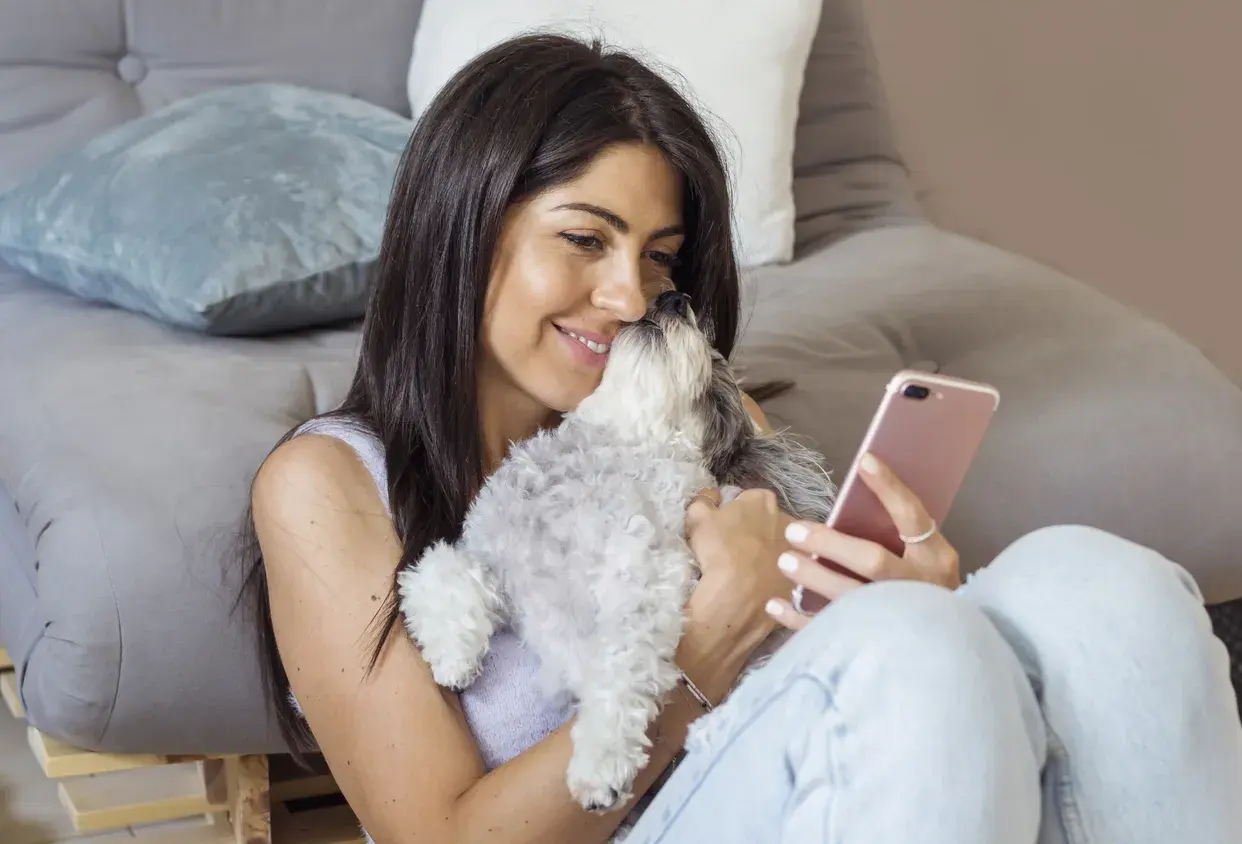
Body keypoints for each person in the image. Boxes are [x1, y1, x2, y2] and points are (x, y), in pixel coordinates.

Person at [236, 33, 1242, 844]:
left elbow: (850, 659)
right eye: (583, 239)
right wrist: (691, 664)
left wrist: (920, 590)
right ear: (464, 227)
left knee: (1106, 589)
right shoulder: (330, 482)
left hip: (828, 781)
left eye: (659, 259)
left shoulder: (692, 415)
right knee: (911, 653)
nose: (631, 297)